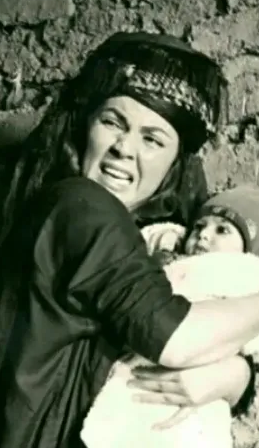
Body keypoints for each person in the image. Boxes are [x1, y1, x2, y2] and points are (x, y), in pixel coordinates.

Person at [0, 32, 259, 448]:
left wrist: (237, 377)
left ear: (174, 164)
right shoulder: (83, 206)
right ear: (84, 126)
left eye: (152, 139)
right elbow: (174, 338)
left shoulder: (141, 235)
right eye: (112, 122)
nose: (124, 148)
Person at [82, 185, 259, 448]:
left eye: (222, 230)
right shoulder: (171, 262)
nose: (204, 235)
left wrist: (238, 372)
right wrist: (166, 239)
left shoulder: (243, 280)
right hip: (142, 379)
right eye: (199, 226)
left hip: (196, 404)